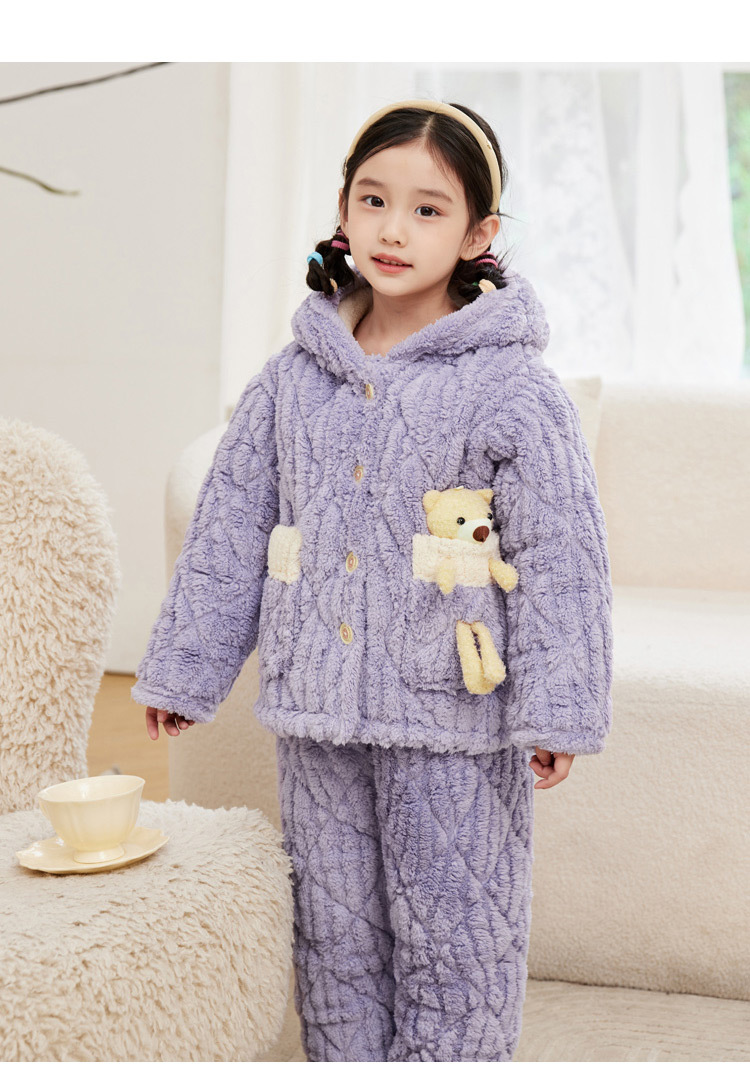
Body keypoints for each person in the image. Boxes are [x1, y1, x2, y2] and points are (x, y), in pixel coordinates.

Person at [132, 99, 613, 1061]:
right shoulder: (292, 378)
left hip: (452, 712)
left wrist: (558, 709)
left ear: (478, 234)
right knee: (334, 932)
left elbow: (563, 558)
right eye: (374, 200)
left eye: (428, 210)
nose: (394, 229)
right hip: (317, 710)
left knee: (456, 933)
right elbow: (230, 526)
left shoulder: (512, 387)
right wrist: (186, 670)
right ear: (344, 212)